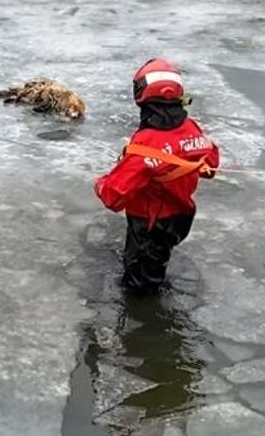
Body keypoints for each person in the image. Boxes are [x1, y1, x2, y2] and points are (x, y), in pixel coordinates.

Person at [93, 59, 221, 294]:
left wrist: (100, 183)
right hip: (181, 216)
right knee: (158, 258)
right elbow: (210, 166)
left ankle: (146, 318)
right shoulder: (192, 128)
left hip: (150, 223)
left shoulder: (145, 145)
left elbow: (112, 196)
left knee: (140, 285)